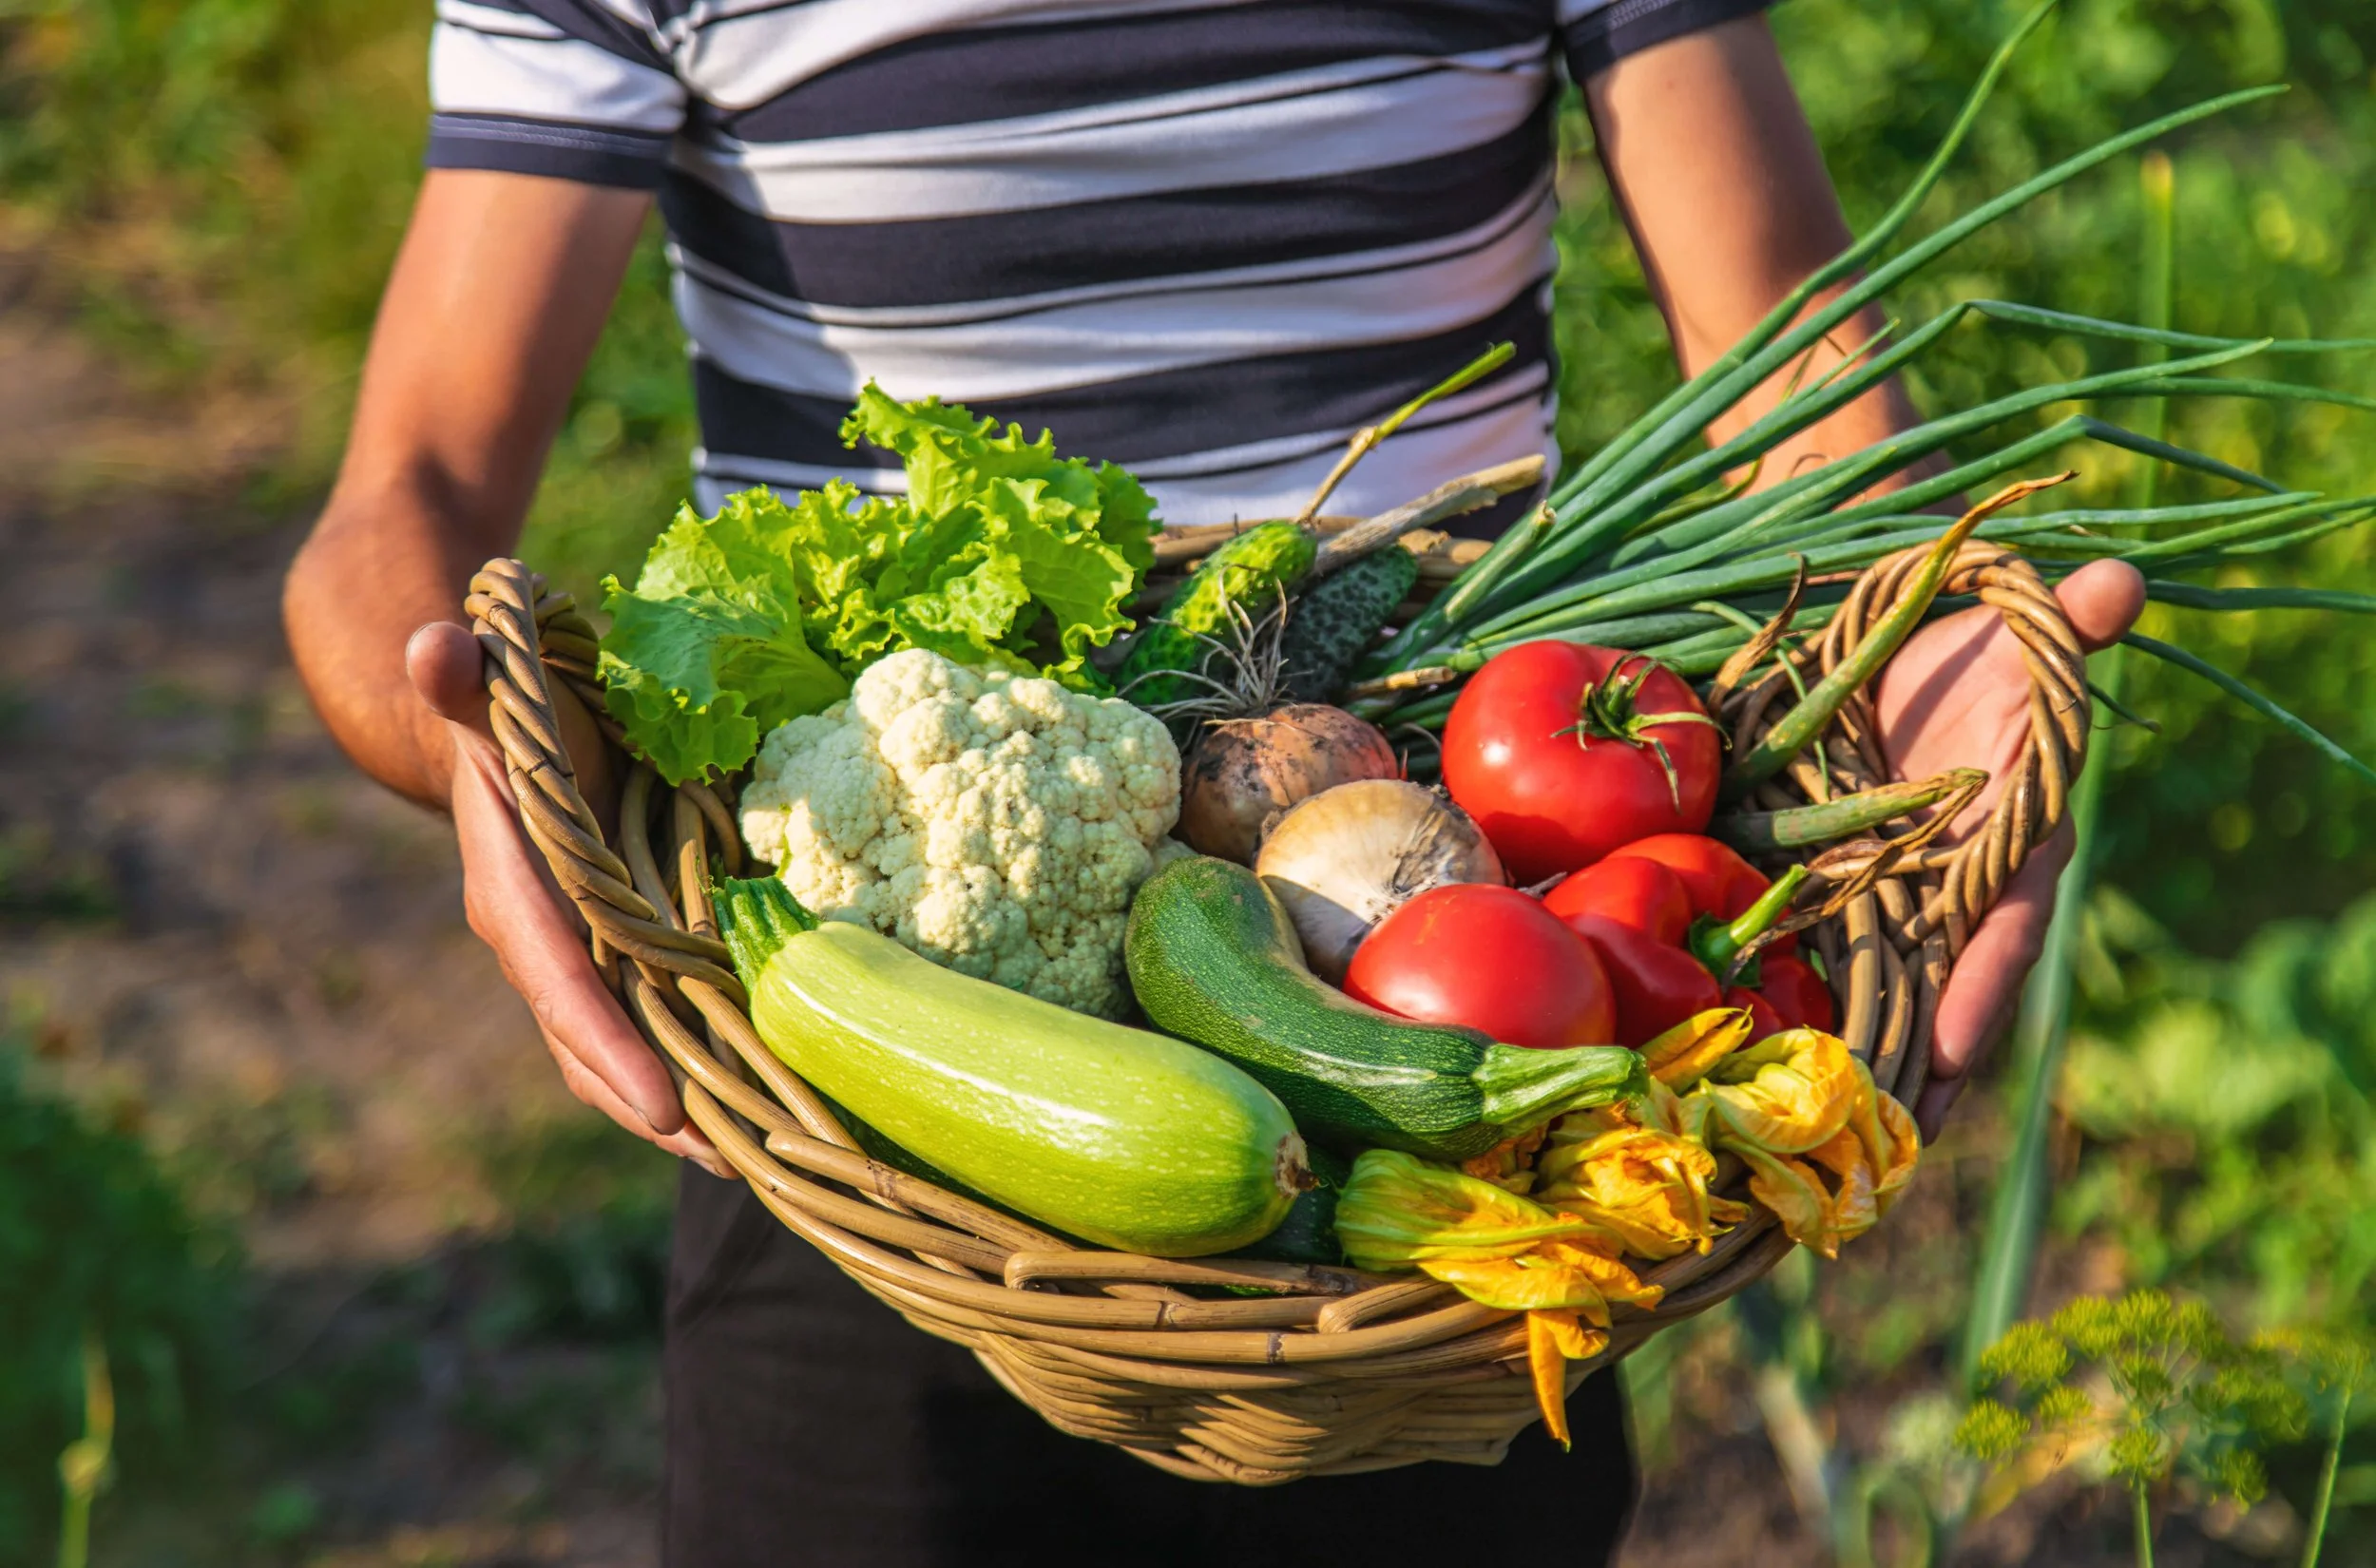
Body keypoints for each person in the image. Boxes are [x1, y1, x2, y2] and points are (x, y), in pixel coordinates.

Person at [282, 3, 2145, 1562]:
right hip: (856, 1112)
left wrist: (1920, 627)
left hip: (1469, 1177)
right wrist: (478, 747)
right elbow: (407, 499)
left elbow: (1785, 359)